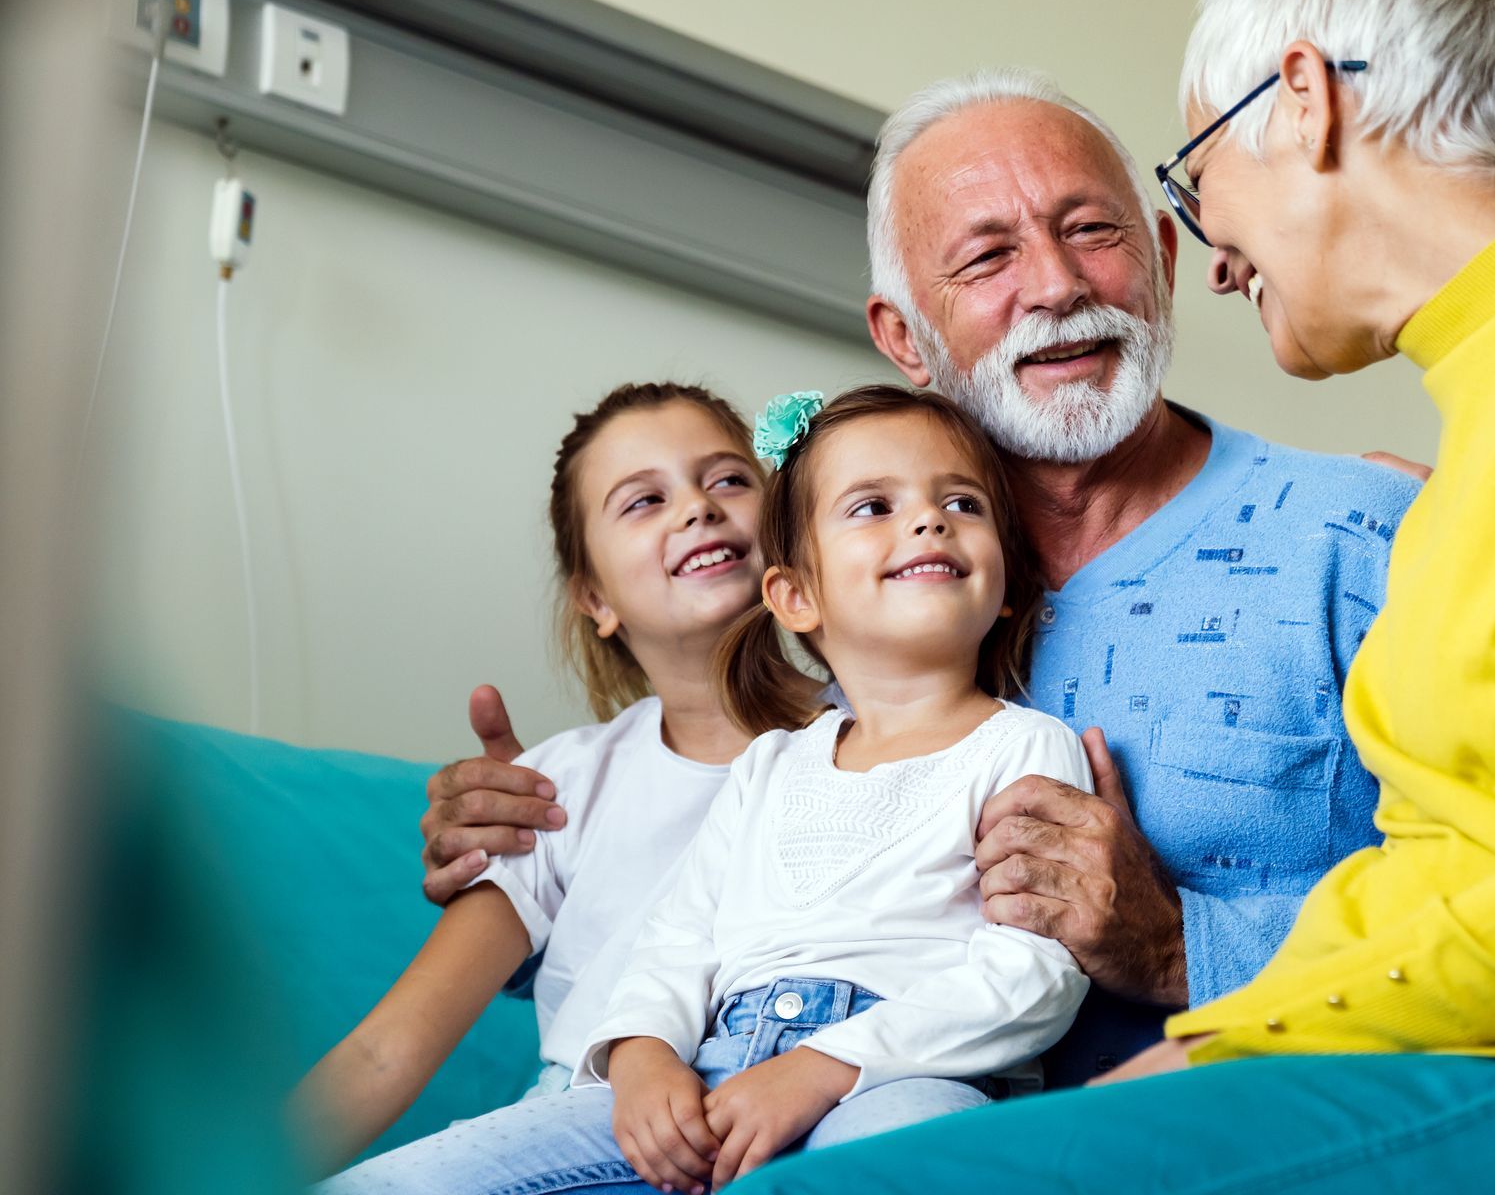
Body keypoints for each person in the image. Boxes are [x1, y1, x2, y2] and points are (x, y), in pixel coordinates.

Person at [722, 0, 1495, 1192]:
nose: (1213, 251)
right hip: (1470, 1052)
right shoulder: (1489, 419)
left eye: (1181, 184)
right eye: (991, 253)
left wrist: (1215, 1018)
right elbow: (1449, 869)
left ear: (1303, 103)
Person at [426, 66, 1424, 1085]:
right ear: (904, 336)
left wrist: (1183, 943)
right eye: (988, 255)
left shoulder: (1363, 536)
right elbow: (734, 889)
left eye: (1091, 230)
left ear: (1162, 255)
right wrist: (522, 838)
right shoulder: (868, 630)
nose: (1055, 284)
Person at [325, 385, 1095, 1195]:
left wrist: (824, 1063)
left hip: (897, 1074)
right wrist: (642, 1051)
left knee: (909, 1152)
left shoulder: (1024, 744)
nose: (929, 520)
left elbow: (1032, 968)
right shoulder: (722, 771)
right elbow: (676, 941)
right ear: (795, 591)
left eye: (727, 479)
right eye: (646, 499)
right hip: (693, 1077)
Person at [296, 383, 769, 1172]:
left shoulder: (884, 738)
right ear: (596, 598)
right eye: (644, 500)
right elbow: (387, 1052)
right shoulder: (556, 789)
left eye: (727, 479)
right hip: (583, 1128)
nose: (698, 507)